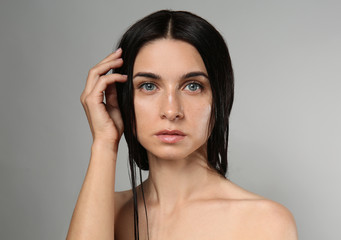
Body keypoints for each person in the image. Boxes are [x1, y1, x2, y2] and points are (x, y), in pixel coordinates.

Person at [67, 10, 298, 240]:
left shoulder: (263, 222)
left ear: (220, 97)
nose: (171, 111)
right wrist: (105, 143)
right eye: (148, 86)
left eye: (193, 86)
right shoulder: (106, 213)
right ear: (123, 98)